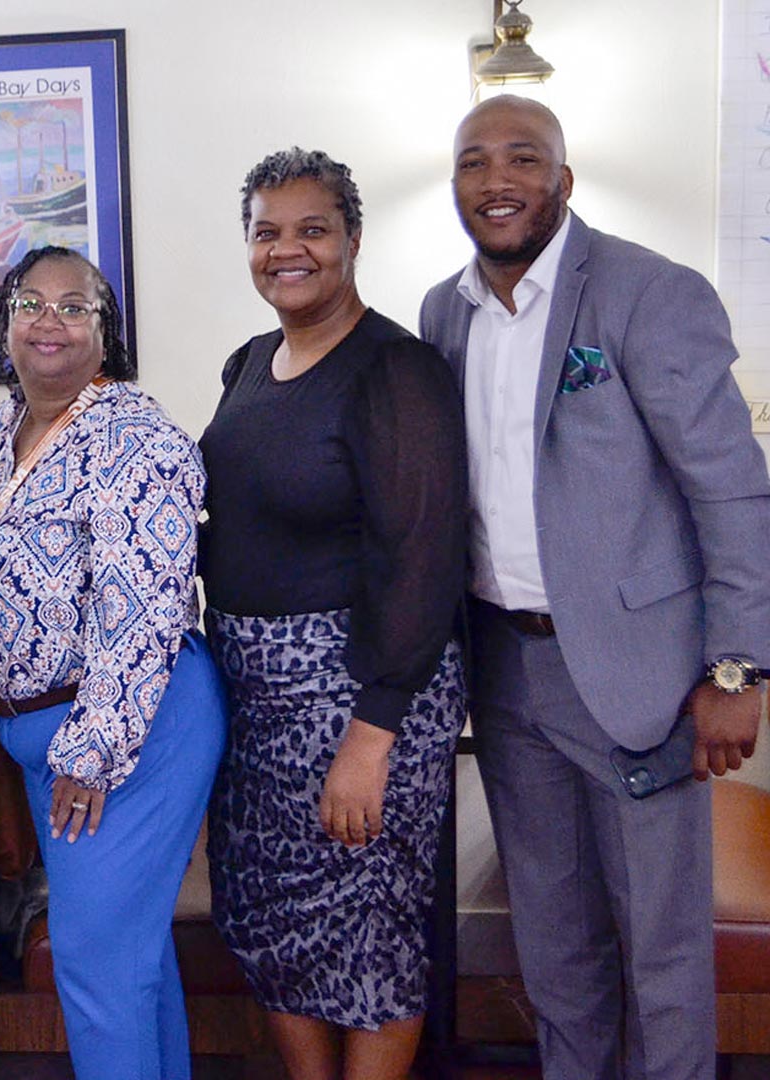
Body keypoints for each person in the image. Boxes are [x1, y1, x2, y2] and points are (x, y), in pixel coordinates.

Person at [420, 97, 770, 1079]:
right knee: (557, 951)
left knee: (659, 956)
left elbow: (733, 489)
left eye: (523, 158)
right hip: (503, 668)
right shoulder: (443, 312)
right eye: (475, 162)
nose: (497, 180)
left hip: (638, 676)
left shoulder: (649, 294)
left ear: (563, 181)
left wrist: (736, 668)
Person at [198, 148, 467, 1080]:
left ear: (353, 239)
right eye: (267, 232)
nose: (288, 250)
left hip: (360, 695)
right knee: (271, 914)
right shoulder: (246, 365)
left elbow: (425, 560)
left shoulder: (396, 369)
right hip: (254, 700)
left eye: (312, 228)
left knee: (369, 930)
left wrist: (372, 735)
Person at [0, 246, 227, 1079]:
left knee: (93, 963)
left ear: (105, 333)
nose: (50, 319)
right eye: (31, 302)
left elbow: (143, 607)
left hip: (129, 733)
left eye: (75, 306)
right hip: (47, 736)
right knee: (128, 962)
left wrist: (94, 751)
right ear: (4, 324)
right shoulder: (10, 429)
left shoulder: (133, 436)